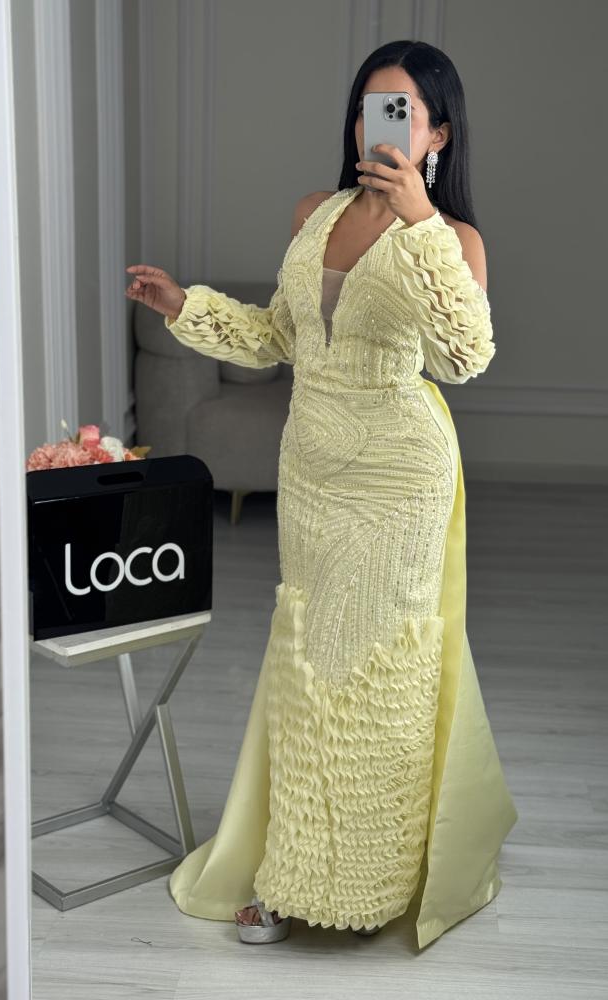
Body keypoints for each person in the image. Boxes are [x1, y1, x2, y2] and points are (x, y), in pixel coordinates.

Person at [125, 39, 517, 950]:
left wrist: (421, 223)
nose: (379, 126)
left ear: (437, 135)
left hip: (400, 476)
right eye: (369, 107)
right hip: (312, 471)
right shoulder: (315, 213)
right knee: (307, 666)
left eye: (402, 113)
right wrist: (185, 307)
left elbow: (466, 358)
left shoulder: (453, 241)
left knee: (385, 674)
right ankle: (292, 873)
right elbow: (279, 337)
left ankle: (371, 883)